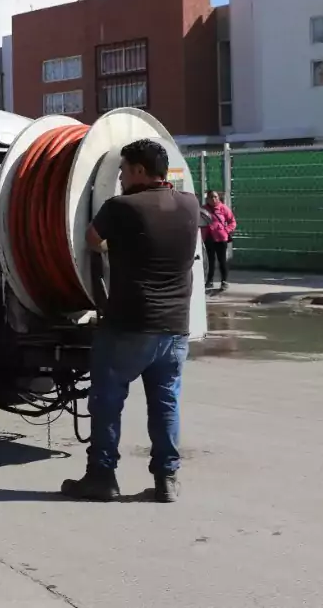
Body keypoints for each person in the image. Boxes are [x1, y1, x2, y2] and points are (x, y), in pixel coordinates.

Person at [61, 139, 199, 504]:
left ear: (139, 170)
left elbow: (92, 240)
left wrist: (113, 247)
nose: (120, 177)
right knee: (166, 403)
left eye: (123, 170)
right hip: (174, 329)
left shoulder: (120, 207)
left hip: (128, 325)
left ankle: (102, 477)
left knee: (107, 401)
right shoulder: (189, 204)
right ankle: (166, 480)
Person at [201, 190, 236, 292]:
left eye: (215, 197)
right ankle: (209, 281)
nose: (214, 199)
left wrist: (226, 230)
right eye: (211, 197)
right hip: (208, 238)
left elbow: (232, 222)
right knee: (209, 261)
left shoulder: (223, 208)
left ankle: (224, 281)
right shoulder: (203, 209)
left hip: (221, 238)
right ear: (207, 199)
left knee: (222, 261)